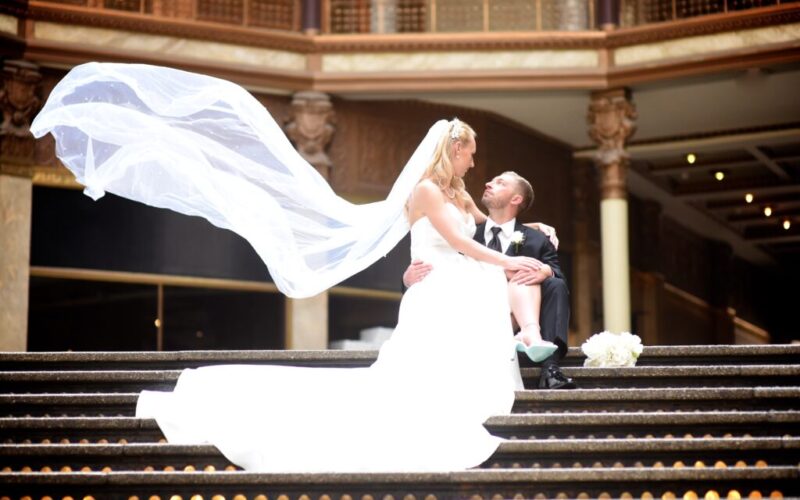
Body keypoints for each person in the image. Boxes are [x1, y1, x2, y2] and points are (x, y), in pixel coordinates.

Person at [30, 63, 549, 472]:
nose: (474, 165)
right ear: (454, 148)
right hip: (435, 293)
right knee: (400, 388)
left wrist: (537, 234)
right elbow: (460, 241)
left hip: (449, 290)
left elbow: (490, 224)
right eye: (471, 154)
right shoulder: (428, 189)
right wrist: (511, 260)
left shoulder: (456, 189)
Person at [403, 171, 576, 390]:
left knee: (555, 283)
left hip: (521, 310)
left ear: (516, 199)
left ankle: (550, 366)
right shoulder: (465, 236)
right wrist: (407, 279)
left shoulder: (538, 239)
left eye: (500, 183)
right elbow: (438, 267)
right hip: (473, 311)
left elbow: (558, 274)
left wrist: (544, 271)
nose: (488, 183)